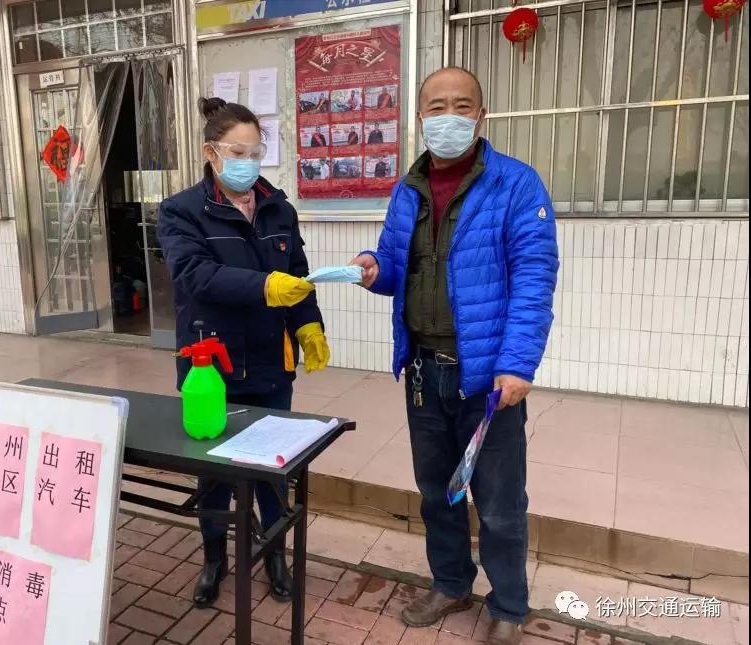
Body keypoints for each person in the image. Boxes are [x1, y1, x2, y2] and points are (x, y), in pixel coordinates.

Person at [350, 67, 559, 645]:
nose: (448, 117)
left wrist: (518, 363)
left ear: (481, 115)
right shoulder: (408, 189)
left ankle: (509, 605)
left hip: (487, 381)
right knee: (438, 493)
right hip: (423, 373)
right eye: (436, 107)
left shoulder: (516, 184)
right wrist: (373, 268)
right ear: (420, 118)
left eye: (461, 106)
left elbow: (535, 276)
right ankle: (450, 583)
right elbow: (396, 265)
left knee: (499, 503)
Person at [158, 97, 331, 609]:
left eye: (256, 152)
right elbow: (194, 275)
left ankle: (275, 554)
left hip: (271, 363)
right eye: (238, 152)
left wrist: (309, 326)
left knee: (274, 470)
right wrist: (264, 287)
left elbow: (297, 278)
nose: (248, 162)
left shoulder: (278, 208)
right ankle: (214, 558)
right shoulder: (181, 211)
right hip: (210, 365)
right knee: (215, 473)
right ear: (211, 152)